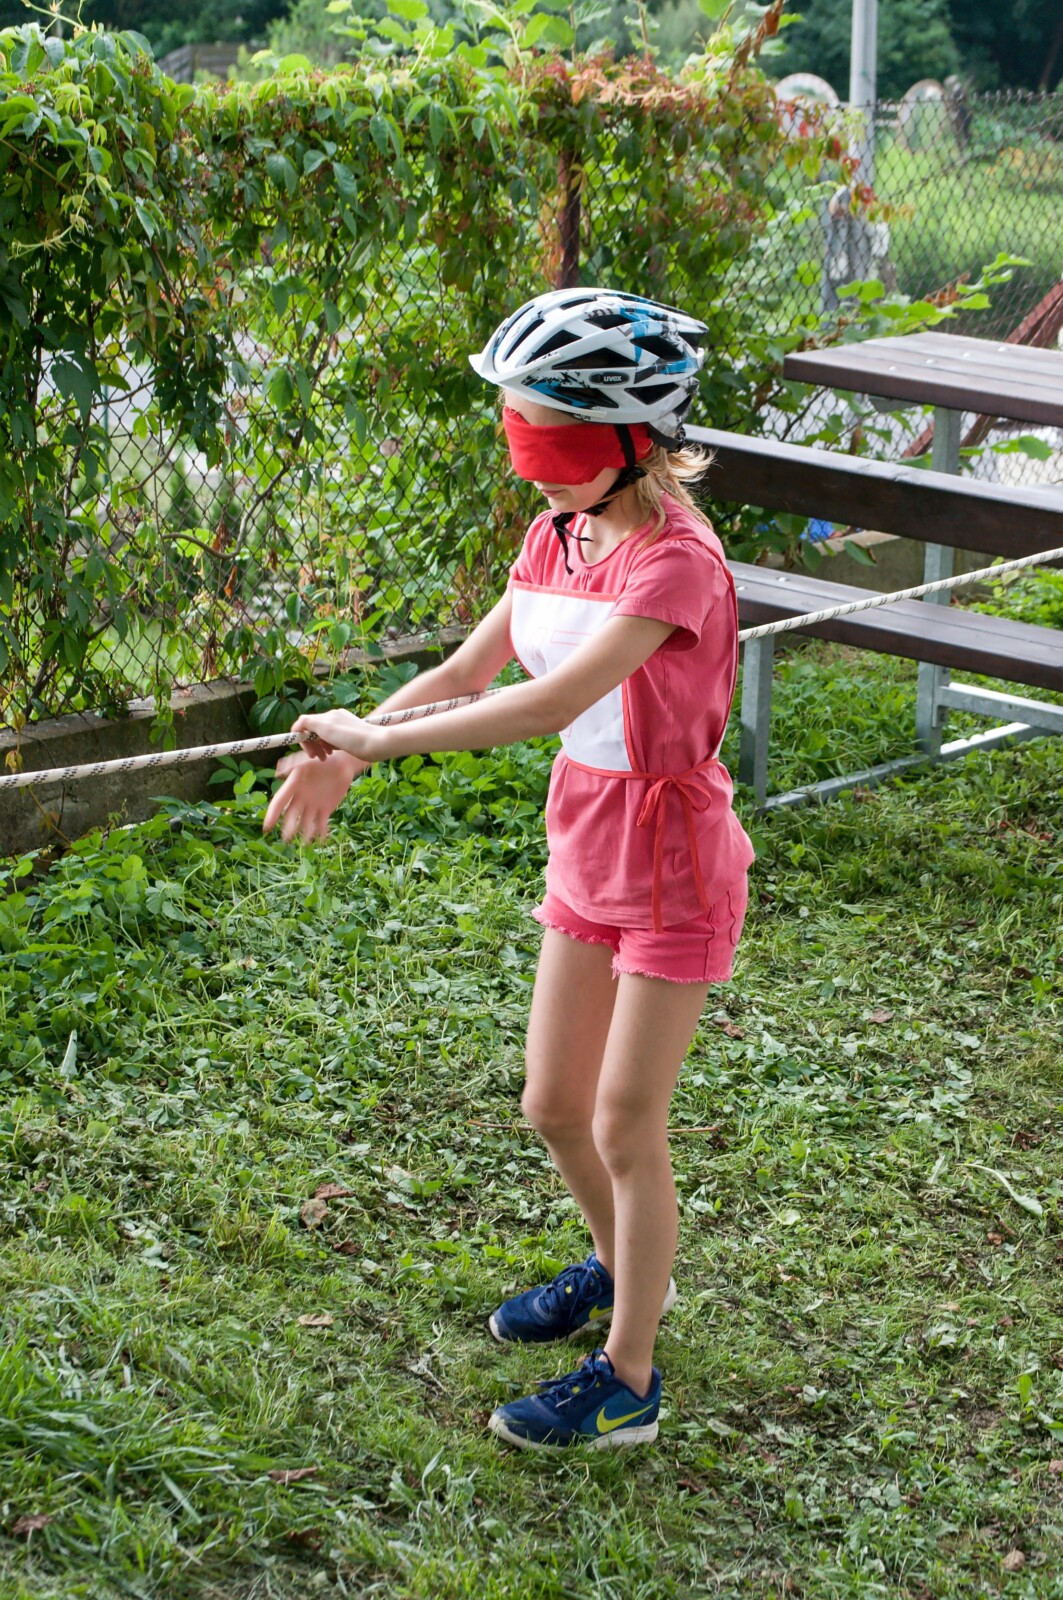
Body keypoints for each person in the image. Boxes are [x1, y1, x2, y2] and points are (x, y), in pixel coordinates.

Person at [263, 288, 755, 1450]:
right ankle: (625, 1269)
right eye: (520, 427)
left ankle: (628, 1376)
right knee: (552, 1104)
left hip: (673, 861)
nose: (528, 457)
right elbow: (468, 670)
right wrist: (352, 748)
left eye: (551, 434)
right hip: (586, 841)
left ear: (630, 435)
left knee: (625, 1120)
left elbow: (545, 701)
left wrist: (379, 741)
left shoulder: (676, 565)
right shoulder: (557, 534)